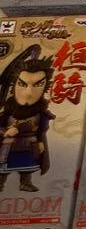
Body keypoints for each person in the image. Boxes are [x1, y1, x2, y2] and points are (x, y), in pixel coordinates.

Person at [0, 45, 54, 193]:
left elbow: (40, 128)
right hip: (8, 144)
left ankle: (25, 182)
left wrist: (41, 141)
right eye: (22, 84)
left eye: (38, 85)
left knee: (27, 166)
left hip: (29, 144)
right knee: (3, 166)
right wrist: (5, 132)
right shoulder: (8, 113)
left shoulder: (40, 114)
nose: (29, 93)